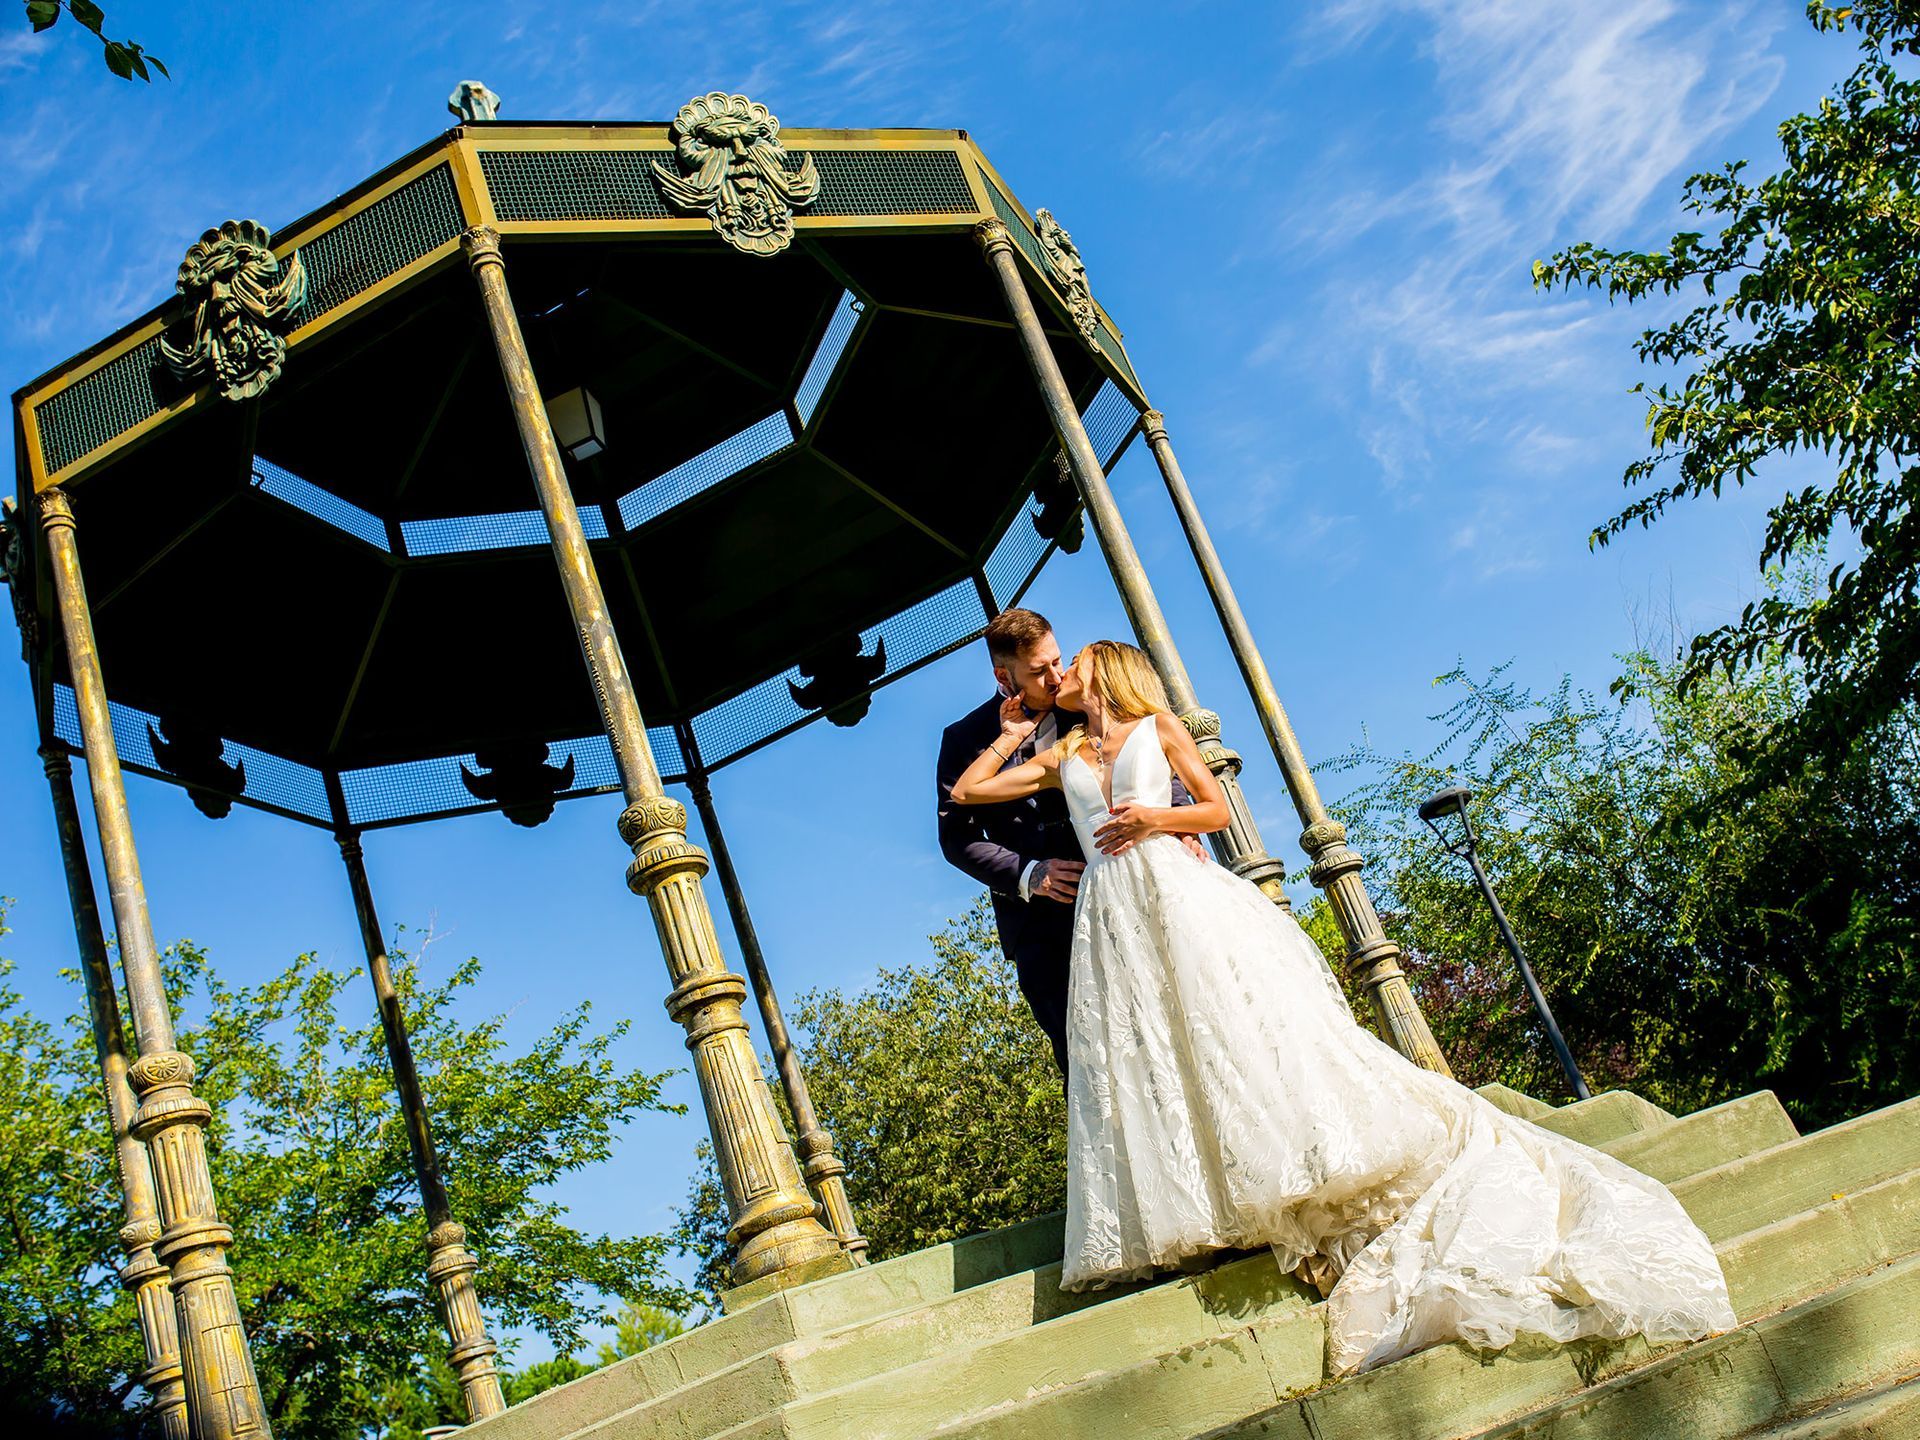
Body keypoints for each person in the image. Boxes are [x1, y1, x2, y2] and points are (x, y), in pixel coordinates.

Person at [948, 639, 1736, 1376]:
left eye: (1073, 662)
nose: (1060, 675)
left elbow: (1216, 813)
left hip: (1178, 892)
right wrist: (1010, 730)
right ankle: (1206, 1201)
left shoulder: (1159, 728)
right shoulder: (1067, 752)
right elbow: (970, 793)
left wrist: (1158, 818)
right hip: (1113, 914)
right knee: (1154, 1051)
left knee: (1230, 1033)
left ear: (1109, 671)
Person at [936, 609, 1197, 1074]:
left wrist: (1179, 825)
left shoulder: (1085, 696)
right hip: (1041, 927)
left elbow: (1150, 753)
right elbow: (956, 836)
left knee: (1171, 1024)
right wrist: (1028, 874)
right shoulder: (963, 738)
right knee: (1084, 1061)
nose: (1057, 677)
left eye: (1058, 660)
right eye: (1040, 671)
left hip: (1126, 888)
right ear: (1004, 674)